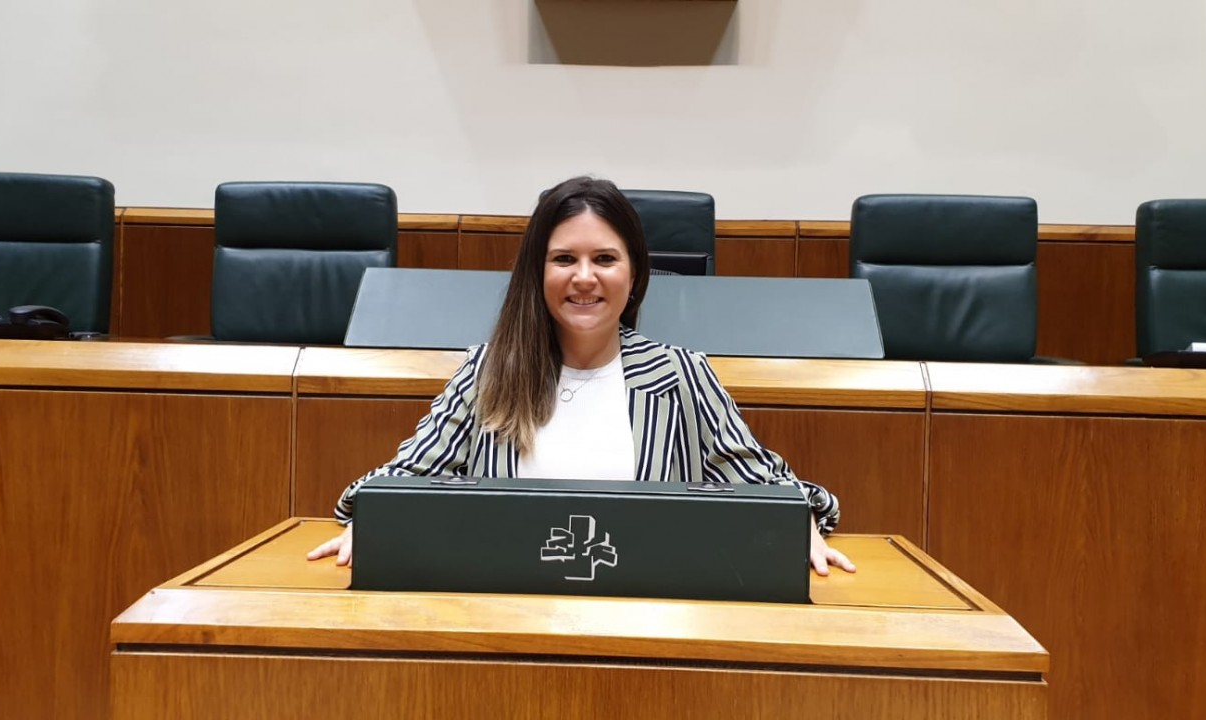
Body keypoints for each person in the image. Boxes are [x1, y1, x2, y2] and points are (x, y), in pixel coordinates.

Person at [308, 176, 855, 575]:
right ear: (537, 272)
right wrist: (373, 519)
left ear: (634, 274)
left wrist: (798, 521)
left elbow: (766, 485)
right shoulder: (489, 371)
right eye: (564, 259)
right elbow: (406, 478)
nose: (585, 278)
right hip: (507, 614)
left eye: (606, 259)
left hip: (643, 618)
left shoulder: (681, 375)